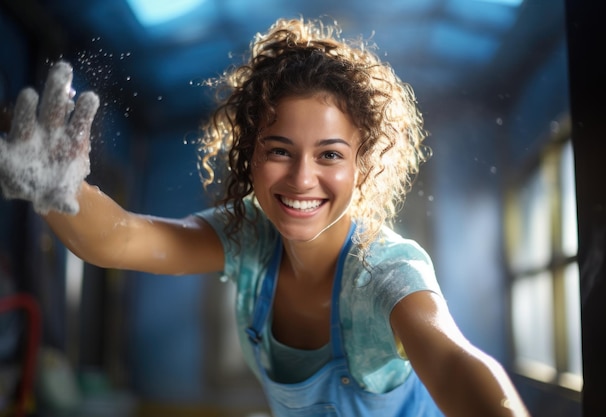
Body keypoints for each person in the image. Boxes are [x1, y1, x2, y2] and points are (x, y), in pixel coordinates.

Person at [0, 17, 530, 417]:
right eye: (279, 150)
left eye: (329, 155)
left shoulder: (387, 272)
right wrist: (57, 189)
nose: (302, 178)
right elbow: (118, 240)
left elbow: (458, 364)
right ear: (247, 157)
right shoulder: (248, 232)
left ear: (361, 168)